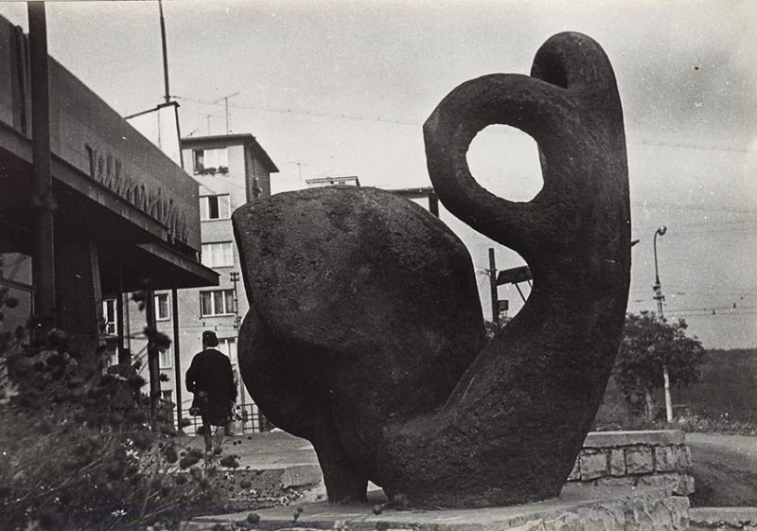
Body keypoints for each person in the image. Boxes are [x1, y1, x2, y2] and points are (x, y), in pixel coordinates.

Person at [186, 331, 237, 453]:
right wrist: (232, 396)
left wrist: (192, 389)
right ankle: (216, 446)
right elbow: (231, 380)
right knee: (221, 422)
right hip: (221, 396)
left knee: (206, 421)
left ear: (204, 343)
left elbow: (190, 375)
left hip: (204, 396)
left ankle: (208, 448)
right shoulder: (224, 359)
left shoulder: (198, 358)